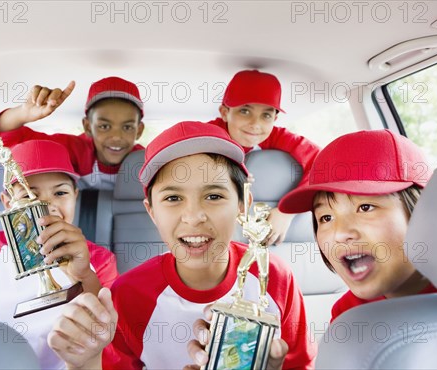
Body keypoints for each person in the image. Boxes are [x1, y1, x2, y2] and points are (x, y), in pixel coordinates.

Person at [48, 121, 316, 369]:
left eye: (213, 195)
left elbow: (301, 363)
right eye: (173, 198)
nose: (194, 216)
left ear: (243, 204)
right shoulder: (127, 296)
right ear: (151, 211)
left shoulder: (276, 278)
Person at [0, 139, 119, 369]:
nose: (45, 206)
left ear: (75, 196)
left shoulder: (99, 259)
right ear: (6, 203)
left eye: (60, 193)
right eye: (27, 196)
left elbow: (108, 338)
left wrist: (83, 277)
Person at [277, 129, 437, 322]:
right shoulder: (348, 316)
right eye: (326, 218)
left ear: (422, 211)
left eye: (365, 207)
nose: (340, 233)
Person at [207, 69, 321, 246]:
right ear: (224, 112)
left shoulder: (276, 136)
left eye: (266, 115)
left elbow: (324, 164)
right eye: (245, 111)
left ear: (275, 118)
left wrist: (286, 211)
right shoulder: (207, 134)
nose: (256, 124)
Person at [0, 77, 145, 190]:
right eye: (104, 126)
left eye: (127, 127)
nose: (116, 137)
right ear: (88, 127)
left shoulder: (145, 161)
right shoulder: (73, 149)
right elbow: (5, 145)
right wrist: (23, 113)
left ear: (139, 131)